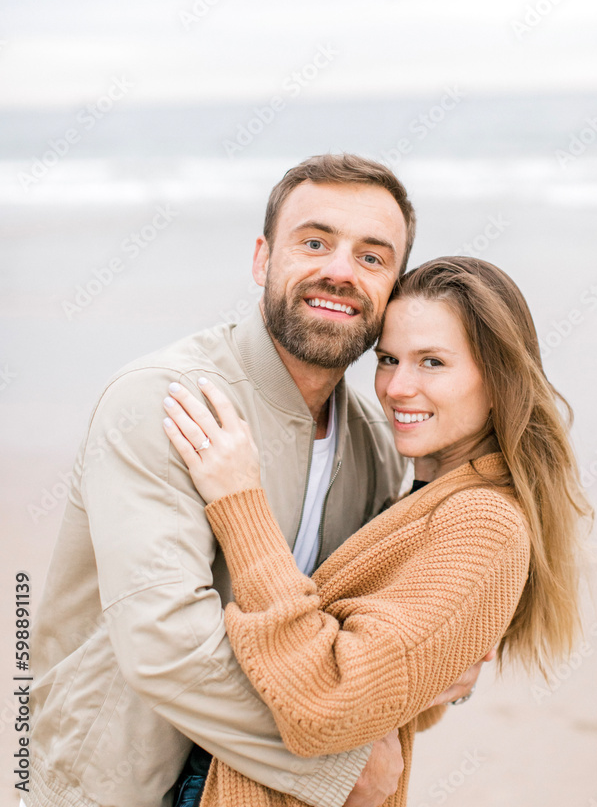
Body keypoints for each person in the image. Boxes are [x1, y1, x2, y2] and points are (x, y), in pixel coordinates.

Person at [27, 154, 484, 807]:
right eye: (315, 242)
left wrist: (437, 661)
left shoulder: (377, 450)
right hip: (109, 788)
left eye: (372, 257)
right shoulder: (164, 403)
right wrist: (337, 766)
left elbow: (361, 638)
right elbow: (165, 645)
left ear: (391, 292)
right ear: (261, 259)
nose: (339, 270)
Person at [161, 255, 593, 807]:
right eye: (388, 359)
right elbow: (378, 679)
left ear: (498, 379)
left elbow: (328, 703)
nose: (396, 387)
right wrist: (430, 683)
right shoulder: (427, 495)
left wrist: (239, 501)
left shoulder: (484, 522)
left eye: (432, 362)